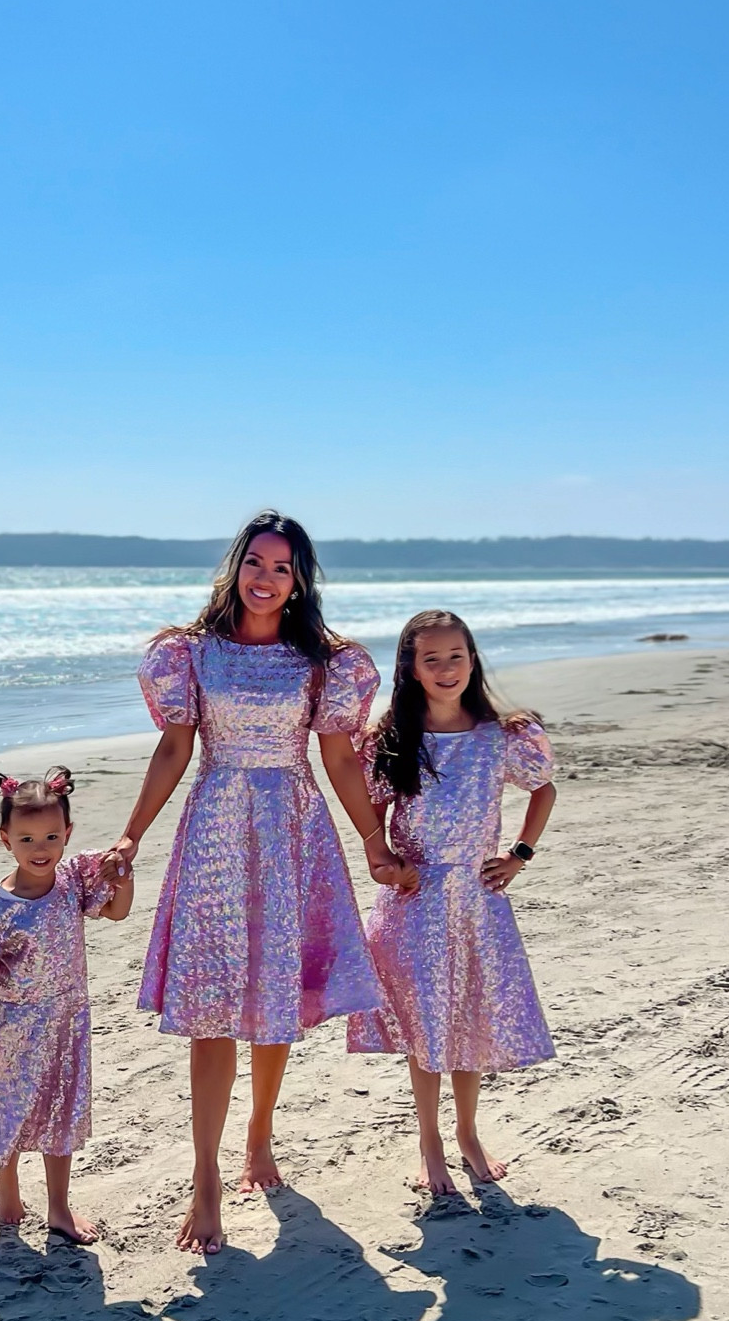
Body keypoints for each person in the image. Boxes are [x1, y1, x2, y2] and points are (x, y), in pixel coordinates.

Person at [108, 510, 414, 1256]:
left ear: (299, 579)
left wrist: (373, 840)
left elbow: (340, 759)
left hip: (291, 829)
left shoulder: (324, 661)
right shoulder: (191, 654)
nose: (265, 579)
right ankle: (205, 1178)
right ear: (234, 566)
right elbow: (174, 746)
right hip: (215, 826)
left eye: (282, 568)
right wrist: (130, 834)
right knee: (211, 1008)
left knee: (273, 998)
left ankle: (259, 1137)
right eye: (255, 562)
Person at [348, 610, 557, 1195]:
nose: (446, 669)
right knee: (427, 1028)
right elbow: (368, 812)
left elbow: (543, 789)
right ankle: (430, 1141)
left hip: (477, 902)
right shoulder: (393, 740)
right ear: (411, 669)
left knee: (470, 1021)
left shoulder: (501, 736)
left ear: (472, 660)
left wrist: (519, 853)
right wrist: (383, 854)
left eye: (456, 657)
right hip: (415, 904)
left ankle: (467, 1132)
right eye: (431, 659)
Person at [0, 767, 133, 1243]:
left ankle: (59, 1208)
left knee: (62, 1112)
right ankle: (7, 1181)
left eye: (50, 837)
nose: (40, 849)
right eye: (27, 839)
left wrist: (123, 877)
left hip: (67, 1023)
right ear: (6, 841)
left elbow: (118, 912)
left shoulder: (72, 883)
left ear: (67, 835)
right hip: (15, 1027)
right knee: (11, 1109)